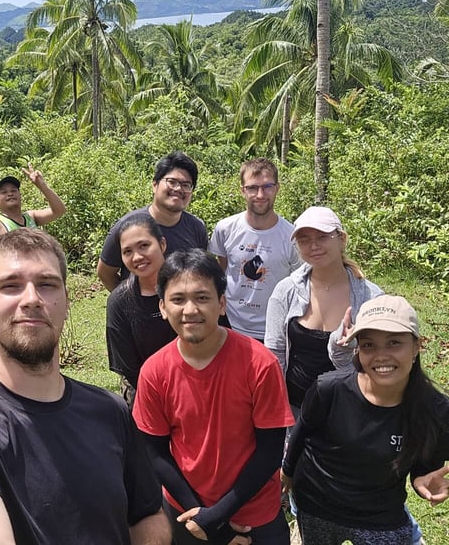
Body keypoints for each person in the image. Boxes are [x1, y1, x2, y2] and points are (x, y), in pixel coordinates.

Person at [0, 228, 171, 545]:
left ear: (66, 301)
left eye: (47, 284)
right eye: (11, 286)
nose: (31, 299)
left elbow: (147, 515)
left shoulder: (110, 410)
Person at [281, 295, 449, 544]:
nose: (381, 356)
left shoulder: (438, 411)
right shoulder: (328, 389)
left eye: (394, 343)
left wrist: (423, 481)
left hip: (380, 515)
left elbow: (425, 467)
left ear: (417, 346)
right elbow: (302, 432)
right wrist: (287, 472)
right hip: (317, 505)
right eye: (368, 345)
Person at [133, 249, 294, 545]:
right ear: (163, 307)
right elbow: (154, 452)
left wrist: (219, 515)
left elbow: (270, 452)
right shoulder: (154, 372)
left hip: (254, 514)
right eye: (178, 299)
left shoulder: (259, 364)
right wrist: (202, 518)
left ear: (221, 304)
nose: (190, 309)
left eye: (202, 297)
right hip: (185, 512)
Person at [264, 206, 382, 417]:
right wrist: (277, 406)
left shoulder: (371, 298)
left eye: (322, 237)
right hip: (295, 409)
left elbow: (382, 359)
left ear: (342, 239)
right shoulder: (286, 291)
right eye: (304, 240)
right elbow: (275, 352)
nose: (314, 246)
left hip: (351, 409)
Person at [209, 158, 301, 341]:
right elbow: (222, 270)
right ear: (242, 190)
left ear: (277, 188)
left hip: (275, 329)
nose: (260, 194)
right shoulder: (225, 229)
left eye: (267, 186)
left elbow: (298, 285)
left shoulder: (292, 236)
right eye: (252, 188)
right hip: (229, 323)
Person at [98, 151, 208, 292]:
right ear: (155, 185)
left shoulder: (196, 227)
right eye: (172, 182)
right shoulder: (128, 226)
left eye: (186, 185)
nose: (179, 189)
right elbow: (105, 272)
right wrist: (127, 302)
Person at [106, 214, 178, 408]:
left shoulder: (189, 287)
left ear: (162, 244)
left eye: (144, 246)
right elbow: (130, 369)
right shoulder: (120, 302)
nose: (137, 257)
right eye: (127, 251)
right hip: (145, 392)